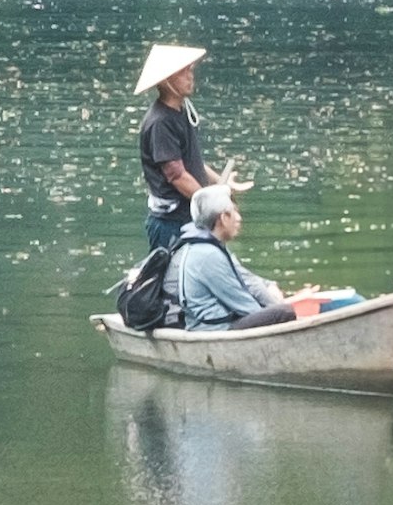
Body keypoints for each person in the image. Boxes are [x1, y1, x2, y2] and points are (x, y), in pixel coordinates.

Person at [163, 187, 325, 333]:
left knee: (278, 308)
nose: (239, 218)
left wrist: (268, 287)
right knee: (284, 312)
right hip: (215, 329)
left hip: (216, 323)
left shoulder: (207, 247)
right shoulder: (208, 256)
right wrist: (280, 308)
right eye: (234, 212)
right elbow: (246, 307)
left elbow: (246, 280)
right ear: (223, 218)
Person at [134, 39, 215, 255]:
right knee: (172, 285)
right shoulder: (160, 122)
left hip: (186, 217)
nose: (190, 76)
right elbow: (176, 175)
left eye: (190, 70)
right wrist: (211, 203)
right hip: (171, 223)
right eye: (183, 72)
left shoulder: (181, 112)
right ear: (167, 81)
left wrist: (218, 184)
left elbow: (190, 161)